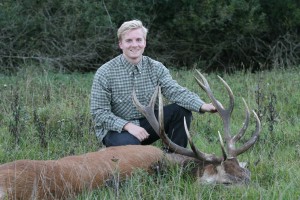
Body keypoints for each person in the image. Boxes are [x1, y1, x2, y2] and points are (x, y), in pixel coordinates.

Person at [90, 19, 217, 148]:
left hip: (148, 124)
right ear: (120, 44)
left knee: (181, 111)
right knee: (132, 149)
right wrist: (127, 126)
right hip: (117, 131)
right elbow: (99, 112)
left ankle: (175, 158)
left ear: (144, 42)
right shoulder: (105, 73)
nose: (134, 45)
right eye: (129, 41)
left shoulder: (156, 68)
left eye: (139, 40)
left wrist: (202, 105)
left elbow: (174, 91)